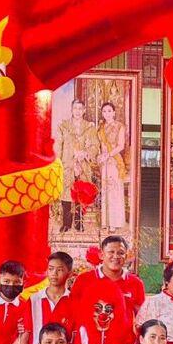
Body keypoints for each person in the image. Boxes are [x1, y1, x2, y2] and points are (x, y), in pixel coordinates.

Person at [71, 235, 146, 327]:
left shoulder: (136, 283)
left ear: (126, 256)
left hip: (123, 335)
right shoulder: (83, 280)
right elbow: (73, 311)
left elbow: (141, 316)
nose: (116, 256)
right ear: (101, 255)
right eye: (111, 252)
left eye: (121, 253)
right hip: (90, 334)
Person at [55, 98, 99, 232]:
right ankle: (66, 223)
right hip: (67, 163)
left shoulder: (90, 127)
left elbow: (95, 145)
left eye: (80, 109)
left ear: (84, 110)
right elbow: (58, 145)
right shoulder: (63, 126)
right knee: (66, 193)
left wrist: (85, 153)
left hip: (83, 164)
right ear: (71, 110)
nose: (78, 111)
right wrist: (58, 162)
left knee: (82, 193)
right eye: (75, 108)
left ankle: (79, 222)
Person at [29, 252, 75, 344]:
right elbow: (25, 334)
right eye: (51, 269)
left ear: (70, 274)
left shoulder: (74, 301)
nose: (54, 273)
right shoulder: (34, 299)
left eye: (59, 270)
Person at [97, 101, 129, 231]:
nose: (107, 114)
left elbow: (121, 146)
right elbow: (101, 145)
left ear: (114, 112)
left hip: (115, 161)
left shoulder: (120, 126)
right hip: (104, 162)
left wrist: (108, 155)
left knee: (114, 191)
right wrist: (101, 156)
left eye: (109, 111)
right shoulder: (101, 128)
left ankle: (114, 223)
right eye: (104, 111)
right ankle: (106, 222)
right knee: (105, 191)